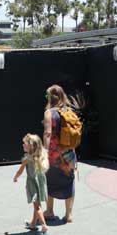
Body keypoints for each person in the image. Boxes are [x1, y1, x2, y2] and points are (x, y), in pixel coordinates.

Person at [43, 85, 78, 223]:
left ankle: (50, 211)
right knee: (69, 181)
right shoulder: (69, 111)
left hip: (53, 155)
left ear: (51, 97)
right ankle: (68, 214)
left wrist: (45, 152)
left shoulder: (49, 113)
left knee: (49, 181)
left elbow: (47, 133)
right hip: (69, 153)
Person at [13, 134, 49, 235]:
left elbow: (20, 171)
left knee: (37, 206)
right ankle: (33, 224)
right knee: (37, 203)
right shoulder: (41, 155)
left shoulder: (27, 158)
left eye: (25, 143)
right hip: (41, 182)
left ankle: (44, 225)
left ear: (31, 146)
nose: (23, 145)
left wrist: (16, 177)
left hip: (32, 183)